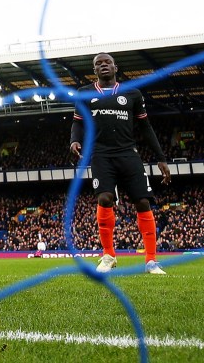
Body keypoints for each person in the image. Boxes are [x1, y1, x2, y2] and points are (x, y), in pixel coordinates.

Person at [69, 52, 171, 275]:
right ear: (94, 70)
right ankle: (109, 255)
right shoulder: (84, 93)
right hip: (100, 154)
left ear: (116, 67)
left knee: (143, 202)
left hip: (128, 153)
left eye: (107, 62)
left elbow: (146, 127)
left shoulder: (132, 93)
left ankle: (151, 261)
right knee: (104, 198)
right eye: (98, 63)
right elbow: (77, 123)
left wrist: (160, 158)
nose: (103, 65)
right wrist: (74, 140)